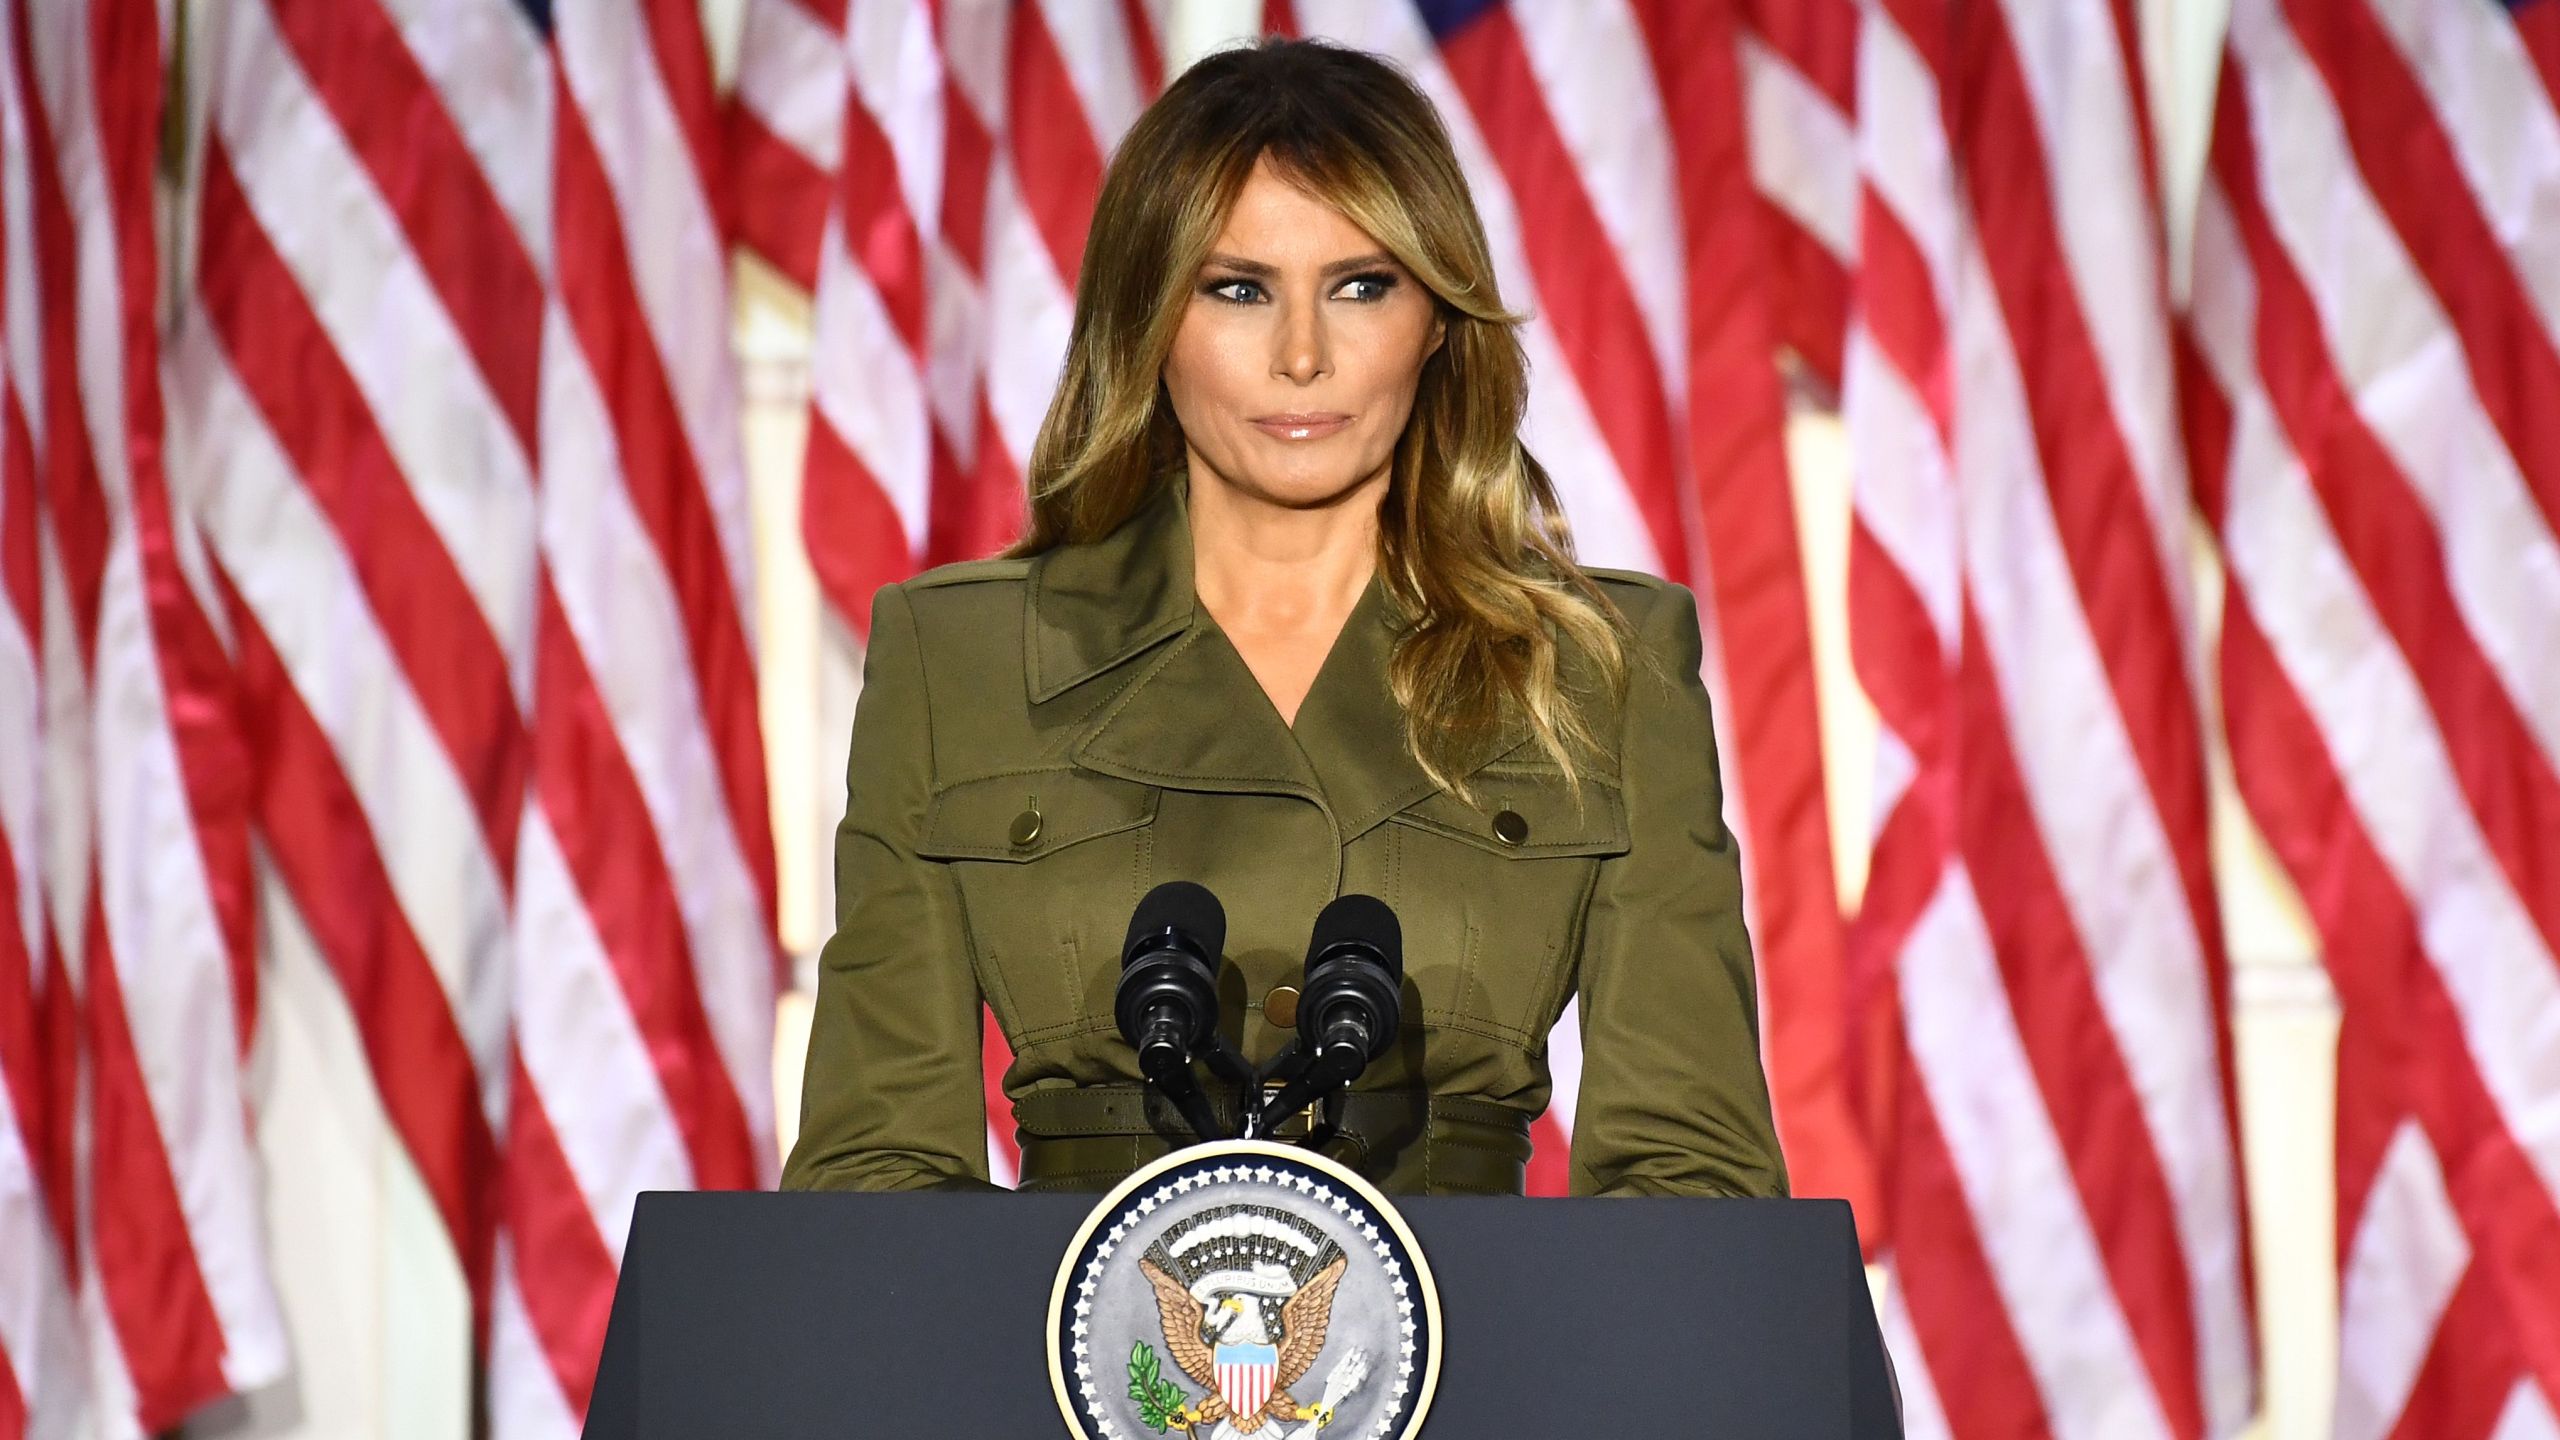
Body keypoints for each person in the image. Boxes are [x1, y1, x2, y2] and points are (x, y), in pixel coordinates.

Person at [782, 36, 1785, 1199]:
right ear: (1148, 319)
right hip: (1052, 1354)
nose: (1302, 356)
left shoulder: (1603, 669)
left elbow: (1692, 1181)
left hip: (1484, 1354)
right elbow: (873, 1172)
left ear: (1438, 323)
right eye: (1238, 289)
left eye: (1361, 286)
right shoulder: (955, 659)